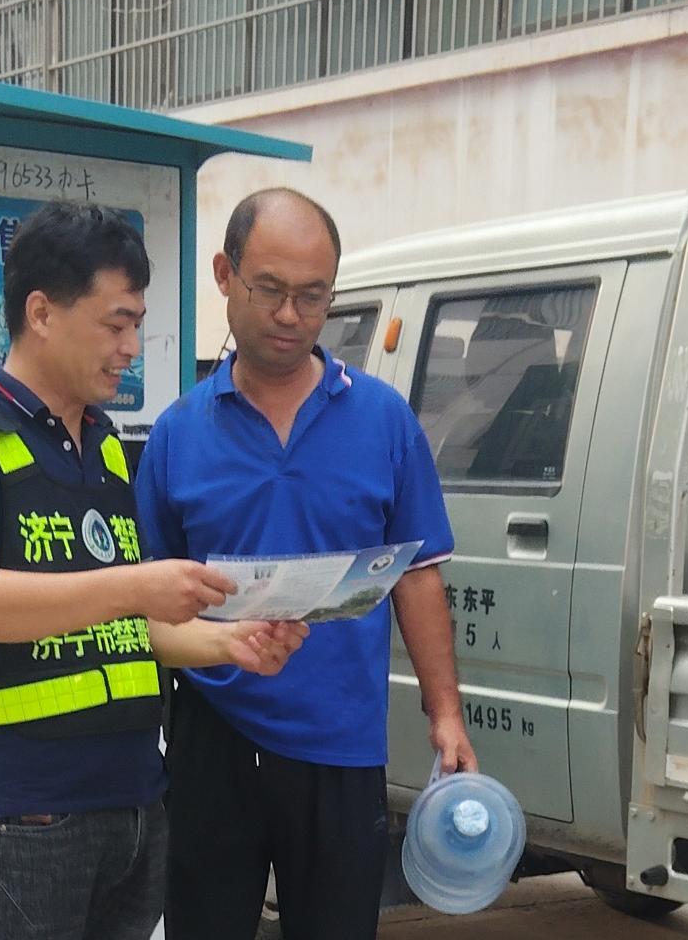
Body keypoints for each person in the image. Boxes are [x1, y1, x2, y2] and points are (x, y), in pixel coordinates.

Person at [0, 201, 307, 940]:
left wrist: (230, 644)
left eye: (137, 325)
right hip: (31, 816)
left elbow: (127, 630)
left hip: (134, 808)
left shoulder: (108, 447)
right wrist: (136, 586)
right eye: (115, 324)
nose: (130, 348)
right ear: (41, 313)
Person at [138, 188, 477, 940]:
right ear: (224, 275)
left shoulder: (384, 421)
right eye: (270, 290)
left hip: (340, 742)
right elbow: (149, 599)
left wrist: (446, 714)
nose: (291, 315)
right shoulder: (177, 435)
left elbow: (418, 574)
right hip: (212, 737)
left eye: (313, 296)